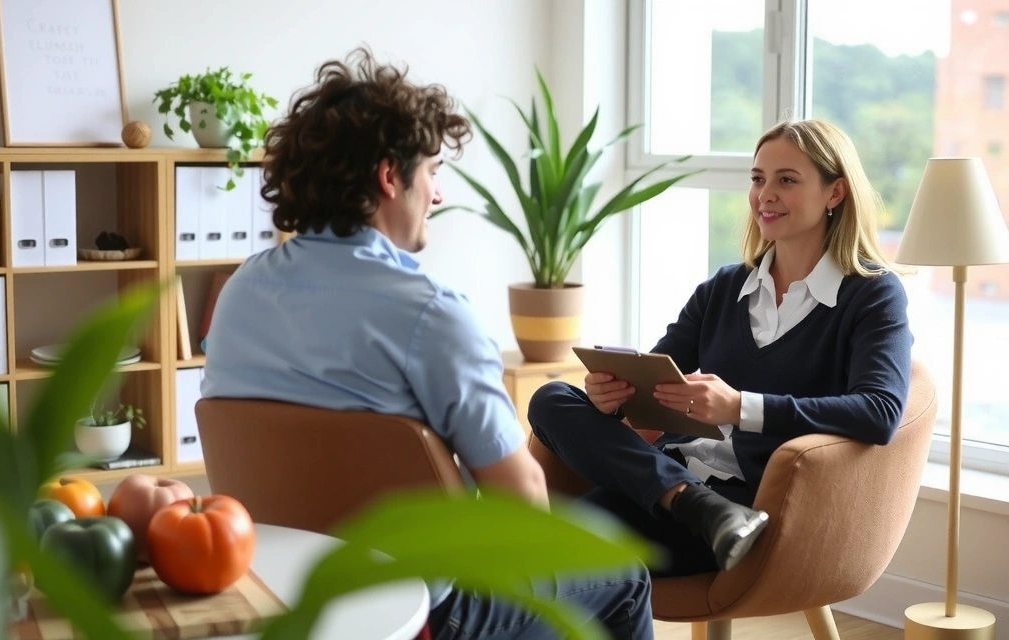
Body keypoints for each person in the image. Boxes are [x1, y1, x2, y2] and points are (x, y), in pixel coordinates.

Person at [200, 47, 654, 640]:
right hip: (431, 610)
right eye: (433, 171)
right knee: (624, 576)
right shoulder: (430, 312)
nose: (436, 195)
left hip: (288, 590)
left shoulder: (240, 290)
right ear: (391, 176)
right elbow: (522, 501)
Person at [528, 119, 913, 576]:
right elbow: (654, 384)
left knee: (570, 566)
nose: (764, 195)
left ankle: (707, 510)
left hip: (753, 506)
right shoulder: (724, 286)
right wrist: (610, 398)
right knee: (552, 399)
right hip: (667, 484)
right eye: (757, 179)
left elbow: (880, 410)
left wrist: (739, 407)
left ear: (835, 193)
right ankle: (695, 503)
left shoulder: (872, 293)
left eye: (786, 180)